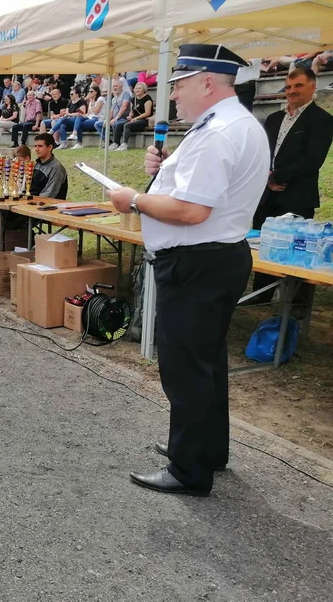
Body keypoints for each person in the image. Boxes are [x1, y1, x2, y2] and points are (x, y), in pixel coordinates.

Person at [108, 44, 269, 496]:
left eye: (178, 85)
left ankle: (189, 468)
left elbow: (192, 210)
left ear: (208, 82)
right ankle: (207, 449)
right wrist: (160, 173)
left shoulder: (219, 131)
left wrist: (134, 199)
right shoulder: (237, 124)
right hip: (220, 256)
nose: (173, 94)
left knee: (186, 368)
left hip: (197, 260)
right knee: (207, 362)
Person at [250, 67, 333, 299]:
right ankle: (260, 296)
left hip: (297, 196)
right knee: (263, 244)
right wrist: (267, 178)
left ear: (313, 86)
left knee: (299, 251)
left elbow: (312, 159)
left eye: (298, 86)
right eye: (288, 87)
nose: (292, 91)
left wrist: (277, 177)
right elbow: (261, 152)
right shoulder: (274, 118)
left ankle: (296, 304)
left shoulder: (322, 120)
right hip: (267, 195)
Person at [114, 82, 153, 151]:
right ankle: (116, 143)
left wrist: (136, 118)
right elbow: (132, 111)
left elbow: (147, 113)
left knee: (127, 125)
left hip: (144, 120)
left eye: (139, 88)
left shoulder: (147, 98)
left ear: (144, 89)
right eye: (136, 88)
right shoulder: (133, 99)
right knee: (119, 124)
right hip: (134, 119)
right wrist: (130, 116)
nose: (137, 90)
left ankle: (124, 144)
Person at [32, 133, 68, 200]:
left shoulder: (56, 168)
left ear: (50, 147)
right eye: (35, 146)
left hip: (48, 207)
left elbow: (49, 195)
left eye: (40, 146)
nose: (36, 149)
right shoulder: (36, 164)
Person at [70, 85, 103, 149]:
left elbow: (96, 112)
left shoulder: (100, 99)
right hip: (90, 117)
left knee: (79, 124)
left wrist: (92, 102)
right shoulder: (91, 101)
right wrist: (82, 115)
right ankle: (76, 138)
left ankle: (78, 141)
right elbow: (88, 113)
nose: (90, 93)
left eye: (91, 91)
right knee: (79, 118)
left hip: (98, 118)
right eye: (89, 91)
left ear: (96, 92)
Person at [104, 79, 133, 149]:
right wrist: (107, 120)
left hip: (124, 118)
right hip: (116, 118)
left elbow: (124, 107)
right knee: (99, 124)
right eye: (113, 86)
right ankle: (109, 142)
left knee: (116, 123)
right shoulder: (114, 99)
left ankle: (116, 143)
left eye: (116, 86)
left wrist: (116, 118)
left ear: (121, 87)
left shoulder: (126, 94)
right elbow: (111, 111)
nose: (114, 88)